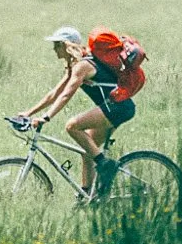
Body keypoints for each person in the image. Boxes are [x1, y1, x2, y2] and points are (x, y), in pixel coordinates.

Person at [13, 25, 146, 191]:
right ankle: (88, 195)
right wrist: (29, 113)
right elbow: (54, 94)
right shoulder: (74, 66)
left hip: (118, 107)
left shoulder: (83, 66)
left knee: (72, 126)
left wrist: (46, 117)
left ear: (66, 45)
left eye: (57, 45)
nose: (54, 50)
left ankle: (106, 165)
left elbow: (66, 95)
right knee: (88, 150)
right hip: (118, 107)